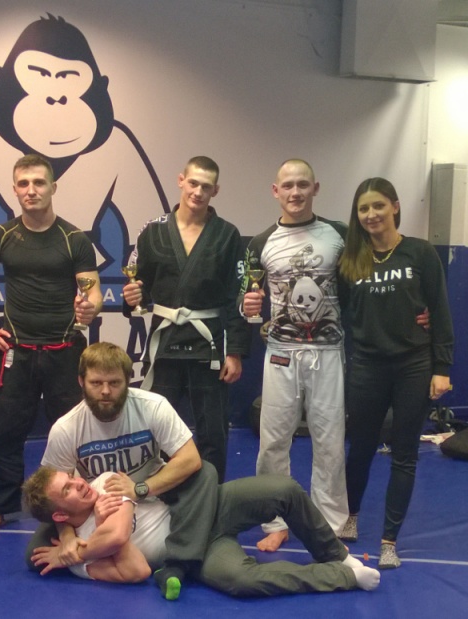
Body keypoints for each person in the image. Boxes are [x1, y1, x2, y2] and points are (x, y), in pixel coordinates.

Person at [0, 154, 103, 538]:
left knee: (74, 435)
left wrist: (89, 307)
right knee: (5, 434)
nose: (31, 190)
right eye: (24, 184)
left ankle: (81, 508)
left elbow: (92, 293)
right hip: (17, 352)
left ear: (52, 187)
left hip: (64, 351)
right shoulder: (1, 236)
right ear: (15, 189)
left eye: (39, 183)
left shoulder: (74, 239)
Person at [25, 341, 218, 600]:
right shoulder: (66, 428)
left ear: (128, 380)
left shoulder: (153, 406)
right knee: (35, 555)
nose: (105, 391)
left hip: (153, 490)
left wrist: (140, 489)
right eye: (96, 383)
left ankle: (178, 560)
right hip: (95, 507)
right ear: (81, 381)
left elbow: (190, 458)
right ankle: (111, 557)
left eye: (114, 383)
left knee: (204, 472)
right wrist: (67, 536)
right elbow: (54, 494)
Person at [24, 467, 381, 597]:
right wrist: (99, 528)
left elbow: (118, 537)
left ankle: (338, 556)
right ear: (59, 513)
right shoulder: (77, 565)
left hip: (202, 509)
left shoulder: (104, 482)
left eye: (71, 478)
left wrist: (90, 544)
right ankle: (343, 577)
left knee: (283, 490)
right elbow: (138, 570)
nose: (79, 484)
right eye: (67, 489)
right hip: (192, 552)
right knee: (243, 582)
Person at [338, 177, 454, 569]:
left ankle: (389, 540)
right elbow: (340, 311)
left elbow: (440, 310)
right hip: (367, 365)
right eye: (363, 209)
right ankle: (351, 516)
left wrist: (441, 368)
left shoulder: (420, 253)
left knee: (405, 453)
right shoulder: (350, 261)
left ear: (395, 207)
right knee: (360, 448)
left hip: (413, 365)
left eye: (378, 206)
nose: (371, 214)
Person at [240, 159, 349, 551]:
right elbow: (246, 300)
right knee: (273, 441)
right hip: (281, 351)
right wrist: (247, 306)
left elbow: (361, 287)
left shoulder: (339, 235)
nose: (295, 192)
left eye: (303, 184)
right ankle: (275, 520)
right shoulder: (259, 243)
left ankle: (328, 523)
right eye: (287, 185)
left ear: (315, 188)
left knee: (330, 439)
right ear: (275, 191)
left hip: (328, 349)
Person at [122, 156, 249, 482]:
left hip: (208, 345)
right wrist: (132, 298)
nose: (198, 192)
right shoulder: (153, 231)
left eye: (206, 187)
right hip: (165, 344)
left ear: (215, 191)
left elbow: (236, 295)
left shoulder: (227, 234)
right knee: (157, 427)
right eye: (193, 183)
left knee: (213, 431)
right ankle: (158, 495)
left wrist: (235, 351)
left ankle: (211, 497)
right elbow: (140, 286)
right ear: (181, 180)